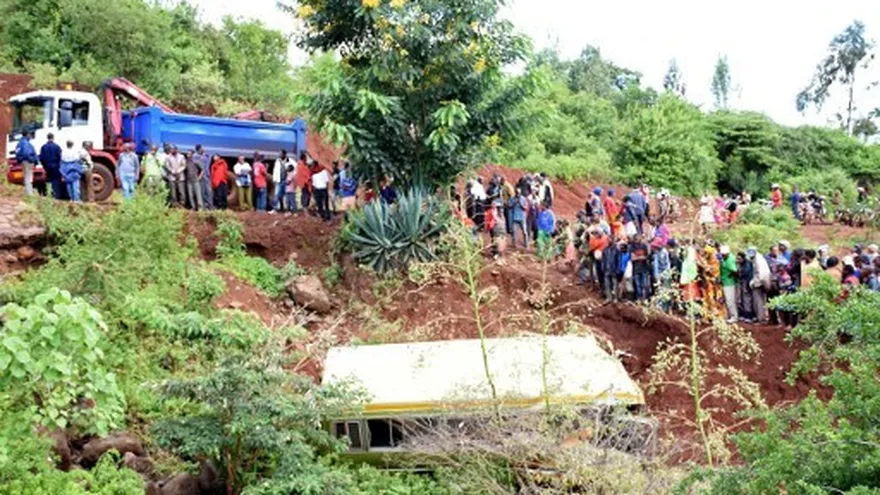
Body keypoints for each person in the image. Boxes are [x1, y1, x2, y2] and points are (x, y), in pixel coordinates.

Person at [39, 133, 63, 199]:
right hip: (55, 166)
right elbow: (60, 157)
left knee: (48, 180)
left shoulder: (43, 147)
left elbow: (41, 158)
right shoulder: (57, 147)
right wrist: (59, 164)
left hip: (47, 166)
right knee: (56, 180)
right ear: (53, 138)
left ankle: (49, 193)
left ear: (47, 138)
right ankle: (56, 195)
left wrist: (44, 165)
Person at [15, 131, 39, 196]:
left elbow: (17, 152)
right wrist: (32, 160)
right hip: (27, 162)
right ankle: (29, 193)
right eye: (30, 134)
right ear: (27, 134)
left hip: (23, 161)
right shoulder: (26, 143)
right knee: (28, 177)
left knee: (26, 176)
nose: (31, 136)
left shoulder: (19, 143)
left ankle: (28, 191)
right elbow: (26, 153)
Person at [720, 245, 739, 323]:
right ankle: (729, 315)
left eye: (724, 254)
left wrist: (730, 276)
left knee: (730, 300)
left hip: (729, 282)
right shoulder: (727, 258)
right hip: (725, 281)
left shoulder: (730, 260)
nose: (722, 255)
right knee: (728, 300)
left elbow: (735, 271)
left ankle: (734, 316)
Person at [630, 235, 651, 301]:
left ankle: (645, 299)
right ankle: (639, 299)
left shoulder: (644, 246)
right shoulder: (632, 247)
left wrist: (637, 257)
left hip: (644, 268)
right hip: (636, 269)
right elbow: (632, 258)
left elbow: (647, 257)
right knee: (638, 285)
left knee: (645, 285)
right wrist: (641, 257)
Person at [194, 144, 212, 210]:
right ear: (198, 149)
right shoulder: (195, 156)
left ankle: (210, 206)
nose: (203, 149)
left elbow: (210, 157)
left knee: (209, 192)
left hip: (207, 175)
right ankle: (204, 206)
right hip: (201, 176)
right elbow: (200, 166)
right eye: (202, 148)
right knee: (202, 192)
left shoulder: (204, 155)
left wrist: (204, 155)